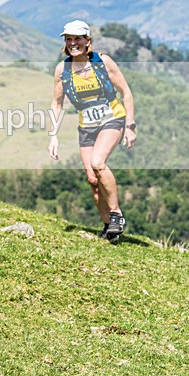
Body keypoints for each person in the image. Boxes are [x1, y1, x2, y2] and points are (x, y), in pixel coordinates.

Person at [48, 20, 137, 243]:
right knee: (92, 179)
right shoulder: (62, 69)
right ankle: (109, 228)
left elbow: (125, 92)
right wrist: (53, 135)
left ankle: (116, 214)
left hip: (112, 119)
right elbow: (57, 103)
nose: (73, 43)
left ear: (88, 41)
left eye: (77, 38)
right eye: (68, 39)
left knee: (98, 163)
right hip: (86, 127)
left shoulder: (103, 62)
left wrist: (130, 126)